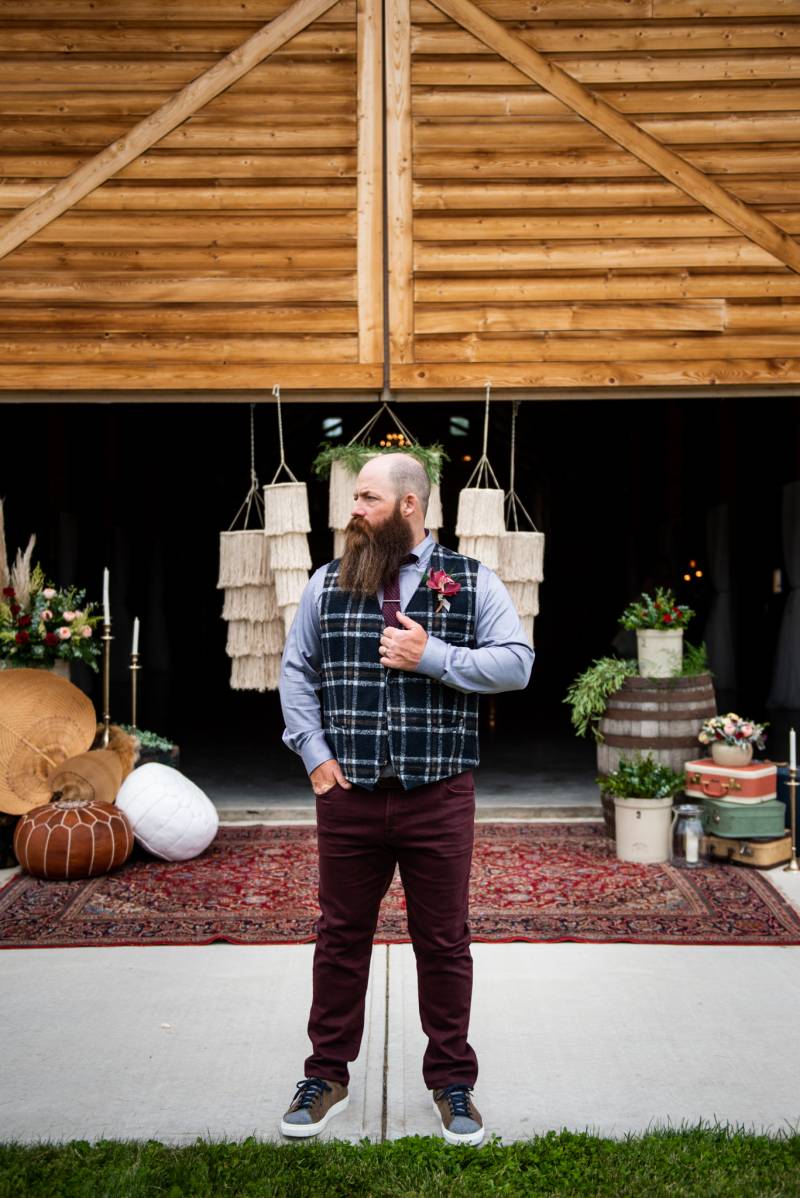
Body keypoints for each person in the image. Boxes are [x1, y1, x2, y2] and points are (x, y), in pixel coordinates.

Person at [278, 452, 534, 1145]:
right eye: (354, 497)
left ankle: (453, 1081)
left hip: (439, 795)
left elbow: (518, 663)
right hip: (351, 796)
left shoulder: (473, 582)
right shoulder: (324, 584)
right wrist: (315, 753)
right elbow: (296, 672)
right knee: (339, 939)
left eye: (365, 498)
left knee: (444, 942)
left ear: (410, 506)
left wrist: (434, 657)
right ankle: (325, 1073)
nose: (352, 510)